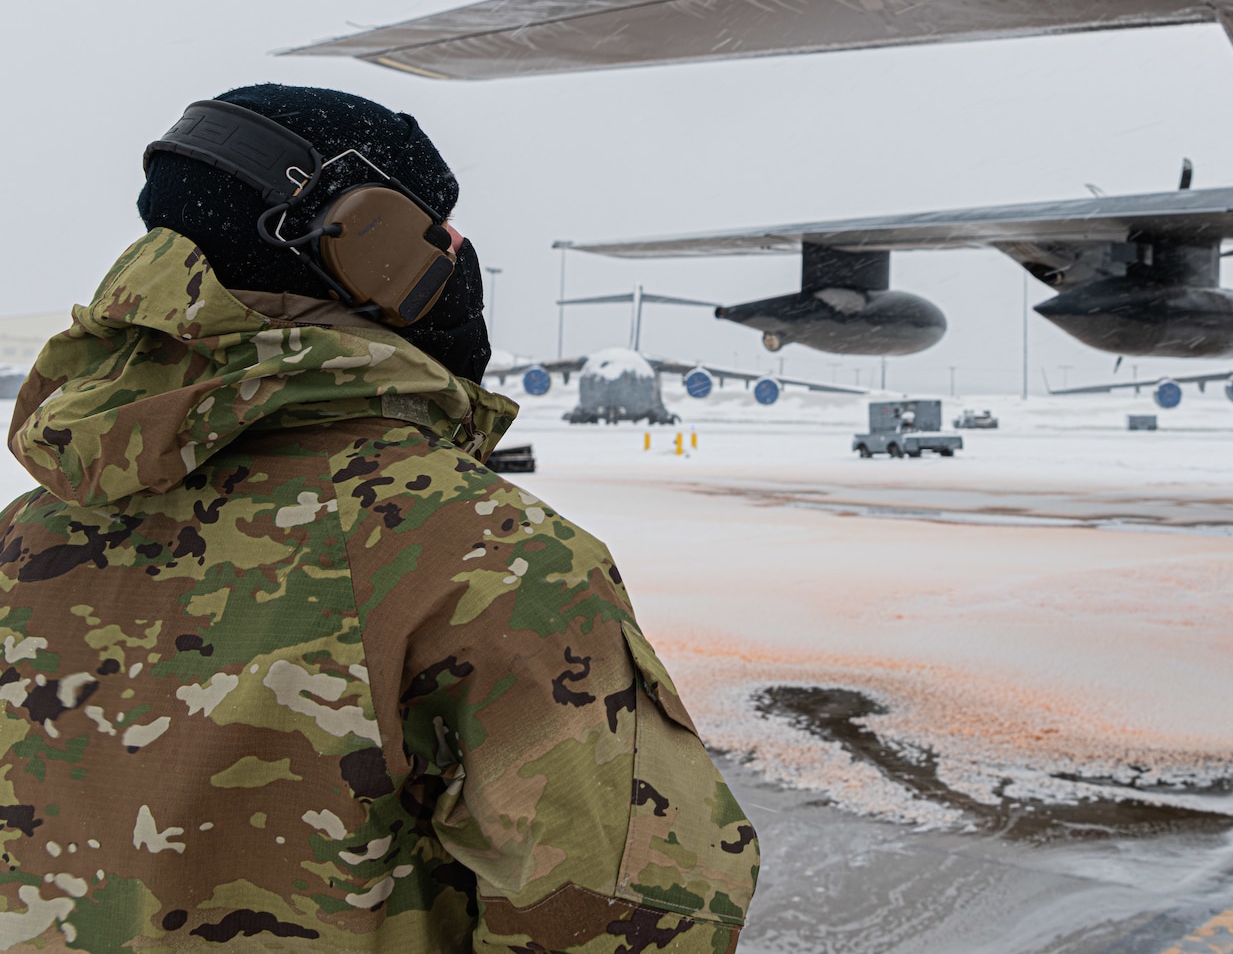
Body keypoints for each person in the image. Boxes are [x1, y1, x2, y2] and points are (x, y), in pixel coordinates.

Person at [0, 85, 757, 951]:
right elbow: (627, 919)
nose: (458, 257)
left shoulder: (23, 537)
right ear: (376, 247)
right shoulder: (486, 559)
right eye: (441, 230)